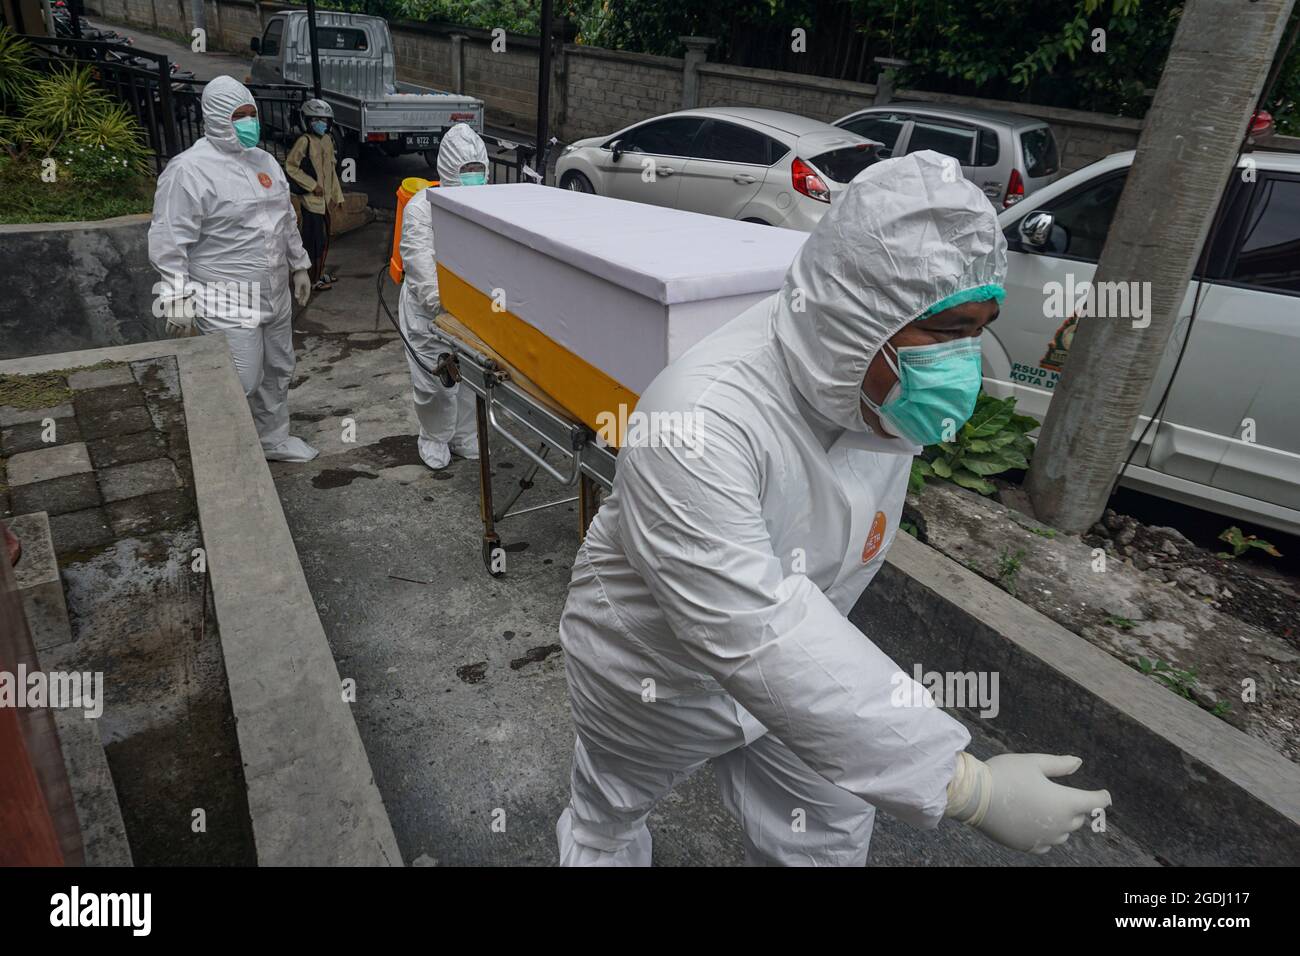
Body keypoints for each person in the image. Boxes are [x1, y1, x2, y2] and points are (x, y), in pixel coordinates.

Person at [555, 150, 1112, 866]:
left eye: (979, 327)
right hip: (653, 672)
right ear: (859, 313)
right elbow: (754, 625)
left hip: (798, 677)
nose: (965, 359)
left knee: (825, 832)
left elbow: (796, 637)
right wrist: (967, 786)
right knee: (610, 814)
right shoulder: (700, 421)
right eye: (946, 332)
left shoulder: (867, 385)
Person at [149, 75, 319, 463]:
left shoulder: (265, 162)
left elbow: (285, 219)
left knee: (278, 368)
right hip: (226, 295)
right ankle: (224, 450)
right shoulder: (189, 171)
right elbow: (169, 238)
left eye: (251, 114)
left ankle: (272, 439)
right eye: (238, 116)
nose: (249, 123)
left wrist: (300, 266)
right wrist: (175, 295)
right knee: (240, 378)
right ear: (215, 117)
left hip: (274, 289)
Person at [396, 123, 489, 470]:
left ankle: (464, 436)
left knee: (467, 383)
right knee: (434, 383)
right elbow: (421, 267)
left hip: (471, 313)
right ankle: (433, 437)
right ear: (449, 169)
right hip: (428, 313)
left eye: (479, 170)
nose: (475, 178)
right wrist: (449, 305)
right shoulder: (422, 208)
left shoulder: (490, 204)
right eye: (467, 171)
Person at [286, 99, 344, 291]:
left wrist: (338, 197)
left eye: (325, 120)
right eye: (317, 120)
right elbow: (291, 167)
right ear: (308, 120)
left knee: (324, 240)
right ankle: (310, 279)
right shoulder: (304, 141)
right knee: (313, 242)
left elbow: (332, 171)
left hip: (324, 203)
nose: (322, 124)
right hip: (311, 203)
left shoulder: (327, 140)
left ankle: (318, 274)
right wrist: (312, 185)